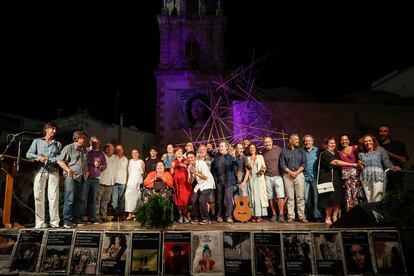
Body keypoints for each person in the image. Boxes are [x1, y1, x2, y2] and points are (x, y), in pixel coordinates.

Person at [317, 137, 362, 225]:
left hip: (337, 178)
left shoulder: (336, 153)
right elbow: (335, 162)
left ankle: (335, 216)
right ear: (326, 145)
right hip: (327, 178)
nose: (333, 145)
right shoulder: (324, 153)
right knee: (329, 198)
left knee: (338, 198)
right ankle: (328, 217)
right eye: (330, 143)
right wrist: (353, 164)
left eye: (334, 143)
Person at [26, 122, 62, 229]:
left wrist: (49, 159)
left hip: (53, 171)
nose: (54, 131)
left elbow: (60, 158)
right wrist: (39, 157)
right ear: (46, 129)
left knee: (53, 197)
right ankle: (40, 223)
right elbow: (28, 154)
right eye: (53, 129)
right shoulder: (37, 141)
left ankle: (54, 223)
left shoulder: (58, 144)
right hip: (40, 170)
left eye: (55, 130)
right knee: (38, 197)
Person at [57, 130, 88, 228]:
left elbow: (84, 162)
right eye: (83, 138)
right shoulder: (69, 148)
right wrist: (68, 170)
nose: (84, 140)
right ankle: (67, 220)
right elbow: (60, 161)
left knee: (80, 199)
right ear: (77, 138)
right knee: (69, 199)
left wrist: (87, 171)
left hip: (82, 177)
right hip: (71, 177)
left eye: (84, 138)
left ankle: (78, 218)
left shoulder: (84, 149)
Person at [358, 134, 400, 203]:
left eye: (369, 140)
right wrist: (359, 165)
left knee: (377, 198)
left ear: (373, 141)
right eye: (366, 141)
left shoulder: (380, 150)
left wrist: (393, 167)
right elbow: (361, 167)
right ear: (363, 143)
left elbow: (386, 161)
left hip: (378, 176)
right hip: (365, 177)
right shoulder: (361, 154)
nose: (368, 143)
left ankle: (377, 213)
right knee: (369, 200)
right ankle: (372, 214)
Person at [280, 133, 308, 223]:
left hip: (299, 175)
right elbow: (282, 164)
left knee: (300, 197)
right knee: (290, 197)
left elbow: (304, 163)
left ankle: (302, 216)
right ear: (290, 140)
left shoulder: (301, 150)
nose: (297, 140)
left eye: (298, 139)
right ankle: (291, 216)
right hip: (288, 175)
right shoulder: (284, 151)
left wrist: (296, 172)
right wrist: (291, 172)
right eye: (295, 139)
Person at [378, 123, 409, 192]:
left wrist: (386, 152)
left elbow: (404, 159)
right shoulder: (376, 145)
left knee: (396, 197)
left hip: (395, 175)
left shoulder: (398, 144)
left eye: (385, 131)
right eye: (381, 131)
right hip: (380, 176)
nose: (382, 133)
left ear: (389, 133)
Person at [338, 133, 364, 212]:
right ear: (340, 142)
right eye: (342, 140)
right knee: (347, 193)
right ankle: (349, 211)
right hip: (345, 173)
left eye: (346, 139)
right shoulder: (339, 152)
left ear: (348, 141)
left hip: (354, 172)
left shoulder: (354, 147)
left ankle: (357, 211)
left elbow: (361, 156)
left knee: (355, 192)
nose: (344, 141)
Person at [187, 151, 215, 225]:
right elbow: (190, 182)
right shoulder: (189, 167)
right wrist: (190, 173)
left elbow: (205, 177)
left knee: (201, 200)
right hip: (200, 185)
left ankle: (206, 219)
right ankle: (197, 218)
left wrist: (195, 172)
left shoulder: (201, 163)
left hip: (208, 184)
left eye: (191, 157)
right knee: (193, 200)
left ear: (195, 157)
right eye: (188, 158)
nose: (190, 159)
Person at [262, 136, 285, 223]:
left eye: (268, 142)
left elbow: (283, 161)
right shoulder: (263, 152)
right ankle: (274, 214)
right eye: (265, 142)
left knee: (280, 196)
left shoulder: (278, 150)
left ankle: (281, 215)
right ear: (263, 143)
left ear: (272, 142)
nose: (267, 144)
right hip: (267, 176)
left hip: (278, 176)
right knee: (270, 197)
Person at [85, 136, 107, 224]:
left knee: (93, 199)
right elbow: (83, 160)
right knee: (83, 199)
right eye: (93, 142)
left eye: (97, 142)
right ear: (90, 142)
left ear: (99, 143)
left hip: (95, 180)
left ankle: (91, 218)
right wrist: (92, 162)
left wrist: (99, 166)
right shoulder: (86, 150)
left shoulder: (101, 153)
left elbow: (105, 166)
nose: (95, 144)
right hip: (86, 178)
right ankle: (80, 217)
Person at [246, 143, 268, 222]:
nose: (252, 149)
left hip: (259, 178)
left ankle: (259, 215)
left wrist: (262, 170)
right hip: (251, 179)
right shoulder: (247, 158)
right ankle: (253, 215)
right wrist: (250, 165)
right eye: (250, 148)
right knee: (252, 198)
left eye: (253, 148)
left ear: (256, 148)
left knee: (259, 197)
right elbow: (247, 169)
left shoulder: (260, 157)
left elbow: (264, 166)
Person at [302, 134, 323, 221]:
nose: (307, 142)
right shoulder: (301, 151)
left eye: (309, 141)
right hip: (304, 176)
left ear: (312, 141)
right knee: (305, 198)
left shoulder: (318, 151)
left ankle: (317, 216)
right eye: (305, 141)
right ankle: (308, 215)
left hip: (315, 176)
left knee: (316, 197)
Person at [170, 147, 191, 223]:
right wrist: (172, 167)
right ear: (175, 153)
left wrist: (185, 166)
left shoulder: (186, 160)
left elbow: (191, 170)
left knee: (185, 200)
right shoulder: (173, 161)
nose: (179, 152)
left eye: (180, 151)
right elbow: (171, 173)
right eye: (177, 151)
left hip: (185, 183)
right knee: (178, 200)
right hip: (177, 184)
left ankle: (185, 216)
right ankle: (180, 216)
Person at [124, 149, 145, 221]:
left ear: (138, 154)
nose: (134, 154)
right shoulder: (130, 161)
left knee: (137, 198)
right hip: (130, 182)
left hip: (138, 182)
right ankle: (129, 213)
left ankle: (135, 214)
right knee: (129, 197)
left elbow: (143, 172)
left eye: (136, 153)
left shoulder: (141, 162)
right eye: (133, 153)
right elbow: (128, 172)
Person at [112, 144, 128, 220]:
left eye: (120, 149)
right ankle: (115, 215)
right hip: (114, 182)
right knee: (114, 200)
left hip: (122, 182)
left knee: (121, 200)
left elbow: (127, 171)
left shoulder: (126, 159)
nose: (119, 151)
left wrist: (127, 181)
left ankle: (121, 216)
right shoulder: (113, 157)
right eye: (117, 149)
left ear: (122, 150)